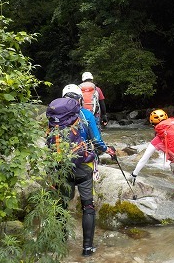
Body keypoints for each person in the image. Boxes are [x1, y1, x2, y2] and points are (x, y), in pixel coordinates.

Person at [57, 84, 116, 257]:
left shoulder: (55, 117)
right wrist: (108, 150)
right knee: (88, 207)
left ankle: (60, 243)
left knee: (62, 205)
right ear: (80, 99)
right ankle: (87, 249)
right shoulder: (86, 114)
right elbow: (97, 141)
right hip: (84, 167)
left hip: (62, 167)